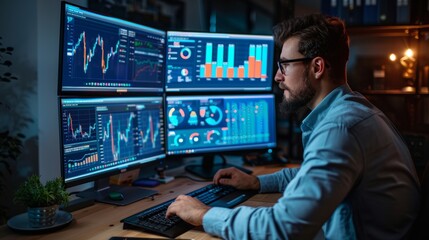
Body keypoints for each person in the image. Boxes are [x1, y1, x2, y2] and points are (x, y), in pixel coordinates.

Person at [166, 14, 421, 239]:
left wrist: (204, 214)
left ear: (317, 67)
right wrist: (257, 183)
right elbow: (310, 175)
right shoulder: (354, 110)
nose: (277, 76)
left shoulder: (339, 128)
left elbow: (284, 228)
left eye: (284, 65)